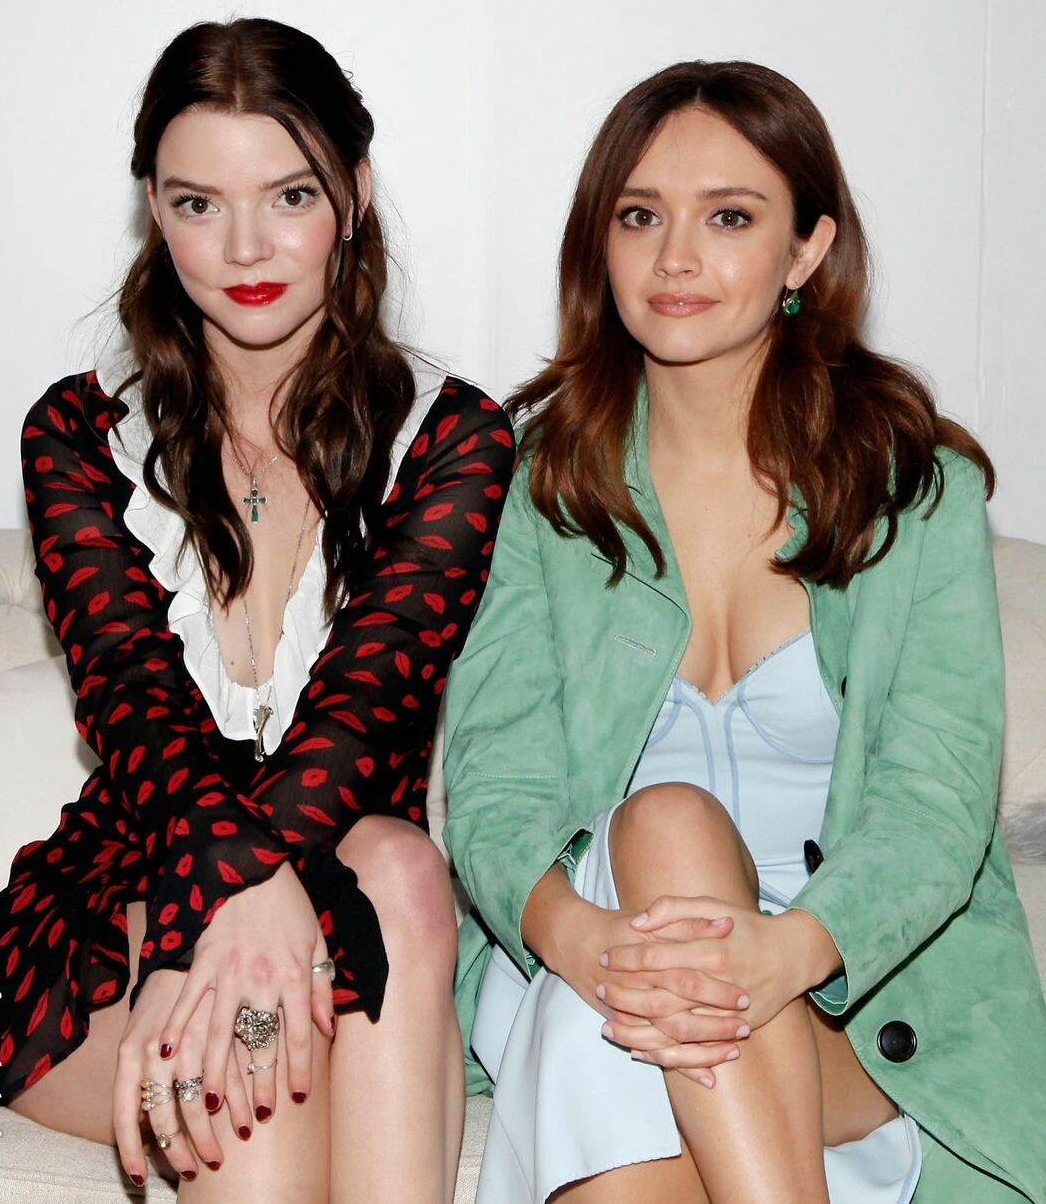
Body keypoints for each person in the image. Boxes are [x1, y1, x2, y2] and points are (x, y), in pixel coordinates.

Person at [443, 61, 1046, 1204]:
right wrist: (582, 940)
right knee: (660, 847)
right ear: (600, 244)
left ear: (807, 250)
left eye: (729, 217)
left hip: (849, 992)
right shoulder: (541, 487)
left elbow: (935, 797)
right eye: (640, 216)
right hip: (597, 957)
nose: (676, 257)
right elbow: (495, 780)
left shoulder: (917, 491)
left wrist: (784, 951)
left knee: (645, 1014)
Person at [0, 17, 515, 1202]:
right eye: (199, 203)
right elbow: (132, 701)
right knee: (262, 1067)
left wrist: (215, 926)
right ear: (154, 212)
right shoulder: (77, 432)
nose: (247, 246)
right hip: (116, 905)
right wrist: (191, 927)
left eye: (290, 195)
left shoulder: (453, 437)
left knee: (394, 861)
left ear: (353, 195)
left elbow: (364, 715)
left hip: (349, 887)